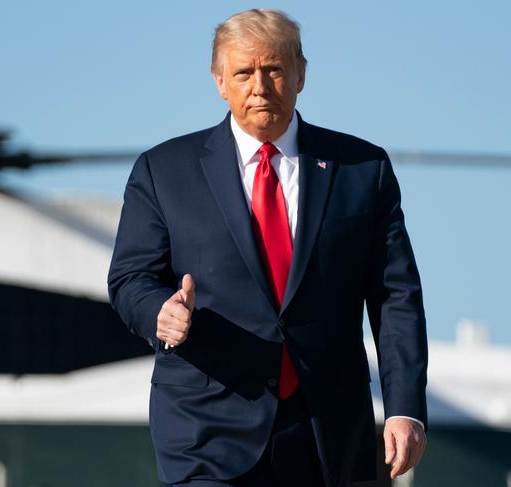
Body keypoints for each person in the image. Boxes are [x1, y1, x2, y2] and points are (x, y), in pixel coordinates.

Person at [108, 8, 427, 487]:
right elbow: (130, 278)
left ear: (301, 73)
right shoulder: (163, 170)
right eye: (243, 72)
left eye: (274, 69)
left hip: (329, 433)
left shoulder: (362, 169)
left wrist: (405, 409)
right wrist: (160, 312)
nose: (260, 85)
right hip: (206, 430)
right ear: (219, 81)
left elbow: (395, 297)